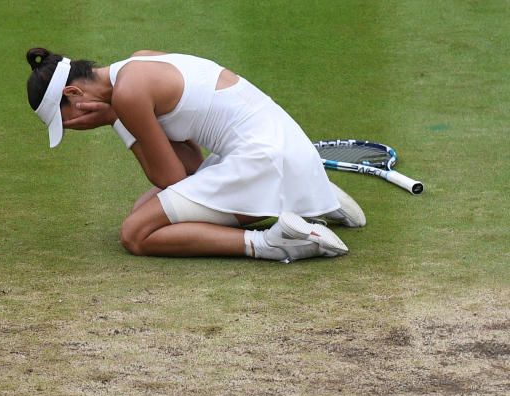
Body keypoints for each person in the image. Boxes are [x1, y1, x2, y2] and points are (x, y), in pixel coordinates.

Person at [26, 47, 366, 262]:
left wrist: (117, 119)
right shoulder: (141, 60)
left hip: (264, 161)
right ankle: (309, 194)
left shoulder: (128, 95)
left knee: (136, 233)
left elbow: (172, 179)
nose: (73, 129)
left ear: (73, 93)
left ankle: (271, 243)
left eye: (65, 121)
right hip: (285, 152)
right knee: (144, 210)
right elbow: (190, 165)